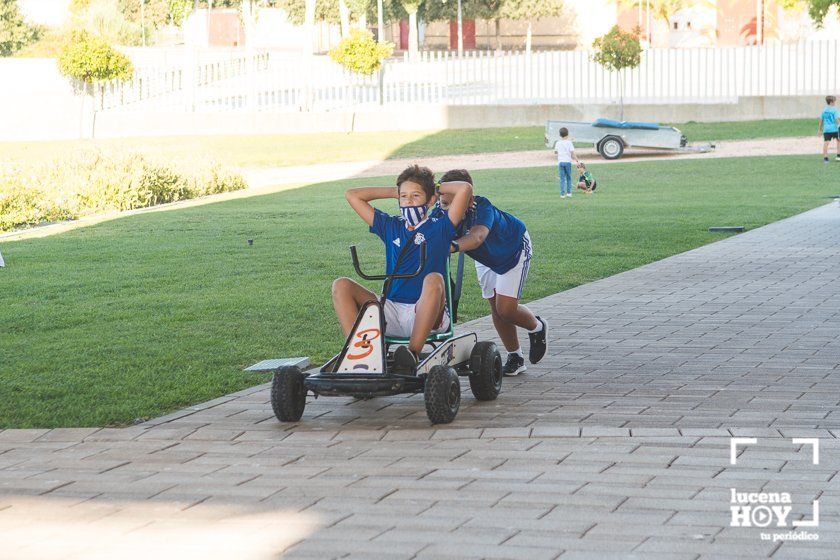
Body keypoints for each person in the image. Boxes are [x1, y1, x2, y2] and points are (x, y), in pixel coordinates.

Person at [333, 164, 473, 373]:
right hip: (391, 308)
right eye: (404, 196)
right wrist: (395, 191)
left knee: (434, 278)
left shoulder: (440, 225)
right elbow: (352, 195)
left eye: (415, 196)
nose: (408, 201)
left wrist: (434, 187)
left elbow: (464, 189)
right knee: (341, 285)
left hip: (427, 313)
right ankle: (360, 352)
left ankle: (412, 354)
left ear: (431, 200)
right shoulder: (391, 225)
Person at [431, 169, 547, 376]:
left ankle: (537, 327)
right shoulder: (439, 213)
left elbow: (477, 237)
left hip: (513, 250)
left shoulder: (482, 207)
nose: (447, 209)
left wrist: (449, 246)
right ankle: (516, 357)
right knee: (496, 308)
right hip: (485, 258)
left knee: (506, 310)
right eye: (443, 203)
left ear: (469, 199)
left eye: (453, 203)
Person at [554, 127, 580, 198]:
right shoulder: (569, 143)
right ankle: (569, 193)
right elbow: (573, 153)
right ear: (567, 134)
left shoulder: (558, 143)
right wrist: (577, 161)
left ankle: (562, 194)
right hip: (568, 162)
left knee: (562, 178)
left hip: (561, 162)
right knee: (568, 177)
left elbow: (555, 152)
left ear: (560, 135)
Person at [819, 95, 840, 163]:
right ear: (831, 102)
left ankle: (825, 158)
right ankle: (838, 155)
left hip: (826, 129)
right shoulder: (835, 110)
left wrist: (820, 129)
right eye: (834, 101)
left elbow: (821, 120)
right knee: (838, 141)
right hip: (835, 129)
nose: (835, 103)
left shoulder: (824, 110)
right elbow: (837, 119)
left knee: (826, 143)